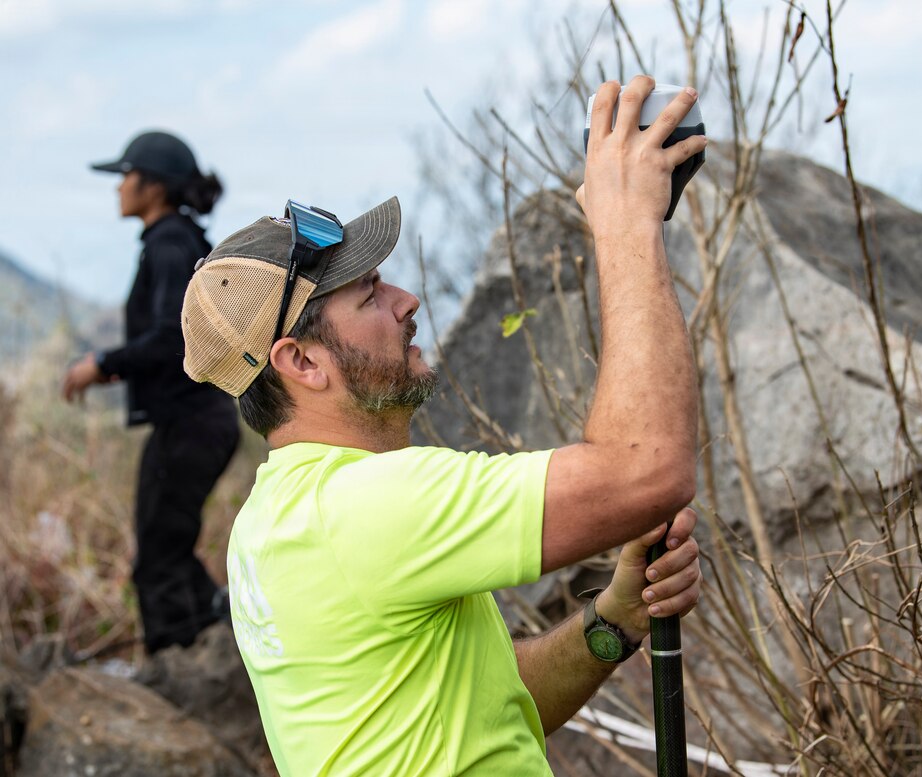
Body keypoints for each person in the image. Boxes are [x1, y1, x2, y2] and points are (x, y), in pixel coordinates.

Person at [180, 75, 706, 775]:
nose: (407, 299)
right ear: (301, 360)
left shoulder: (273, 521)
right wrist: (626, 224)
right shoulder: (366, 507)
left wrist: (614, 619)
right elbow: (648, 467)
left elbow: (491, 704)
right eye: (369, 293)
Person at [62, 130, 240, 655]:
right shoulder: (181, 240)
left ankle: (175, 668)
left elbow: (171, 334)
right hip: (196, 420)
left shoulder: (169, 243)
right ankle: (222, 637)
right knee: (168, 547)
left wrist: (101, 363)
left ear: (153, 186)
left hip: (191, 423)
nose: (119, 188)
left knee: (158, 557)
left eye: (125, 177)